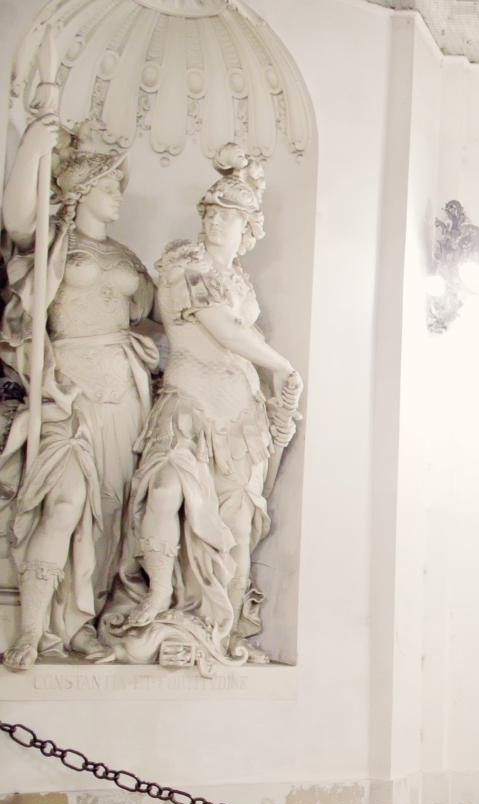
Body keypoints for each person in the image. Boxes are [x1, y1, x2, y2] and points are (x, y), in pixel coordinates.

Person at [100, 146, 301, 669]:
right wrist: (281, 366)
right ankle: (158, 595)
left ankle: (225, 624)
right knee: (165, 490)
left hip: (241, 415)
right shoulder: (182, 262)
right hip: (188, 403)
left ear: (248, 227)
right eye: (209, 213)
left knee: (236, 526)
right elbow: (223, 327)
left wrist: (272, 382)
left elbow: (240, 332)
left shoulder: (242, 281)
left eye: (226, 216)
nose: (214, 223)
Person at [0, 119, 158, 671]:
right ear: (84, 189)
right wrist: (34, 146)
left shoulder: (128, 256)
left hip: (125, 386)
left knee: (112, 513)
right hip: (66, 389)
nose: (119, 196)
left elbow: (168, 315)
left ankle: (83, 625)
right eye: (112, 185)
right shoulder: (52, 241)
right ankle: (32, 631)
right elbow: (17, 218)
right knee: (66, 505)